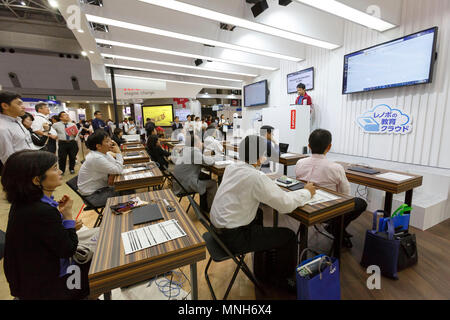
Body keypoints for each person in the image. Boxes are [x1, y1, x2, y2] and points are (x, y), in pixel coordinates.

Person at [209, 135, 315, 287]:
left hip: (217, 231)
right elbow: (285, 205)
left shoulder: (231, 168)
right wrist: (306, 192)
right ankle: (283, 280)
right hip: (234, 238)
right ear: (259, 157)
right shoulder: (256, 177)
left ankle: (263, 269)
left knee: (258, 214)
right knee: (289, 236)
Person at [2, 150, 89, 299]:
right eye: (55, 168)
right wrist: (67, 216)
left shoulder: (23, 203)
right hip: (48, 284)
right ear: (37, 180)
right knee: (100, 265)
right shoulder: (41, 211)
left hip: (29, 278)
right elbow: (68, 249)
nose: (61, 171)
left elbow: (43, 235)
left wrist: (66, 225)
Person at [295, 129, 367, 248]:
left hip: (304, 204)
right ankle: (336, 228)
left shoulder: (299, 163)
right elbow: (346, 195)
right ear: (329, 147)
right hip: (327, 210)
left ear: (309, 146)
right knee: (361, 203)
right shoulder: (336, 167)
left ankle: (336, 228)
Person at [172, 134, 218, 212]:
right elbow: (209, 162)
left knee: (205, 176)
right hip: (185, 186)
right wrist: (214, 157)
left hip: (178, 184)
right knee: (213, 183)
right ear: (196, 143)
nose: (201, 142)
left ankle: (204, 207)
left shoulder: (185, 149)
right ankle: (211, 209)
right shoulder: (194, 151)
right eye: (200, 141)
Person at [77, 130, 124, 208]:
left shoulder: (103, 153)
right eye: (107, 141)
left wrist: (118, 154)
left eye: (110, 140)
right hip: (92, 196)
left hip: (100, 189)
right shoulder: (96, 157)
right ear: (98, 146)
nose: (111, 143)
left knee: (126, 188)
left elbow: (117, 166)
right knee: (126, 191)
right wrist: (118, 152)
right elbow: (118, 169)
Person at [0, 91, 34, 166]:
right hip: (20, 169)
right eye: (19, 104)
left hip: (28, 163)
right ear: (5, 106)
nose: (23, 106)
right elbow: (7, 157)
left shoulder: (17, 121)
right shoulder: (2, 128)